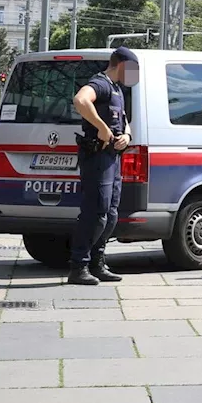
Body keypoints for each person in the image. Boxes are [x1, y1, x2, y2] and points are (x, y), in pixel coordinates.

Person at [68, 47, 138, 286]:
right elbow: (80, 100)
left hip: (113, 157)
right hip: (97, 157)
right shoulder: (101, 83)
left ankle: (97, 263)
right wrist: (101, 127)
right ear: (121, 65)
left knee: (110, 214)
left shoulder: (117, 88)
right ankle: (79, 266)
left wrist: (126, 136)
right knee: (96, 213)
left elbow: (125, 120)